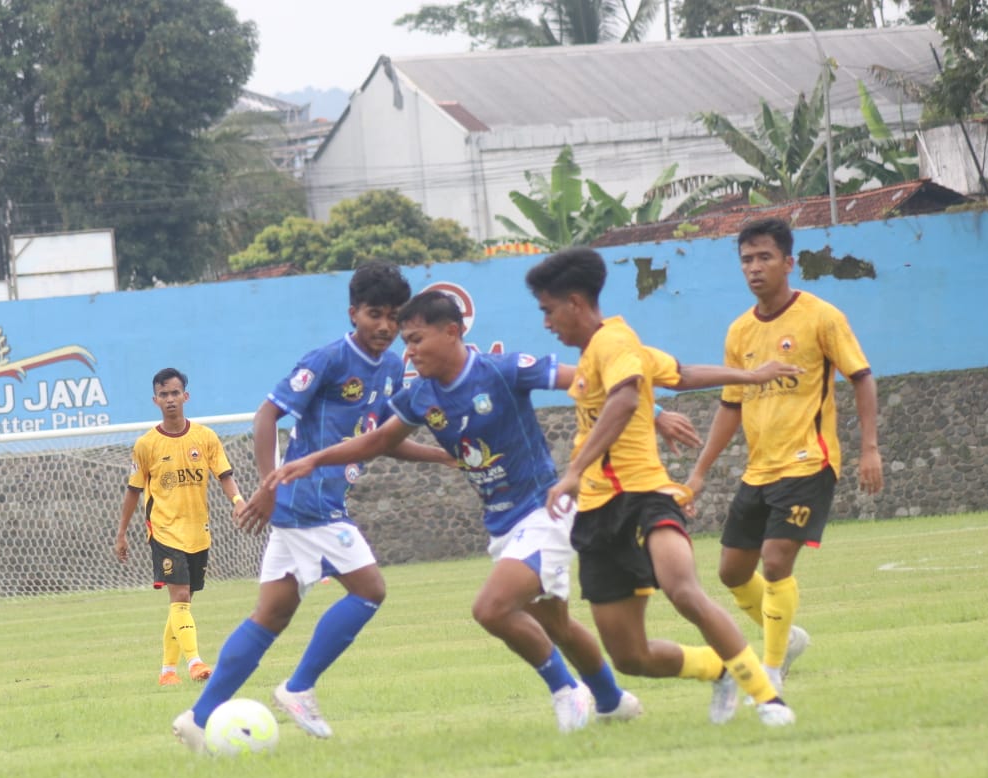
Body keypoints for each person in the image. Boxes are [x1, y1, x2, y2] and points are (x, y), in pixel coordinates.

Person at [265, 289, 712, 730]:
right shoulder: (422, 395)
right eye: (406, 342)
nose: (409, 352)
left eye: (416, 340)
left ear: (452, 332)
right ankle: (612, 701)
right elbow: (380, 440)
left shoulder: (503, 369)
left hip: (544, 512)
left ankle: (567, 690)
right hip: (502, 523)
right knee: (556, 624)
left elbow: (590, 379)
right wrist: (314, 459)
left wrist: (654, 414)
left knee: (491, 609)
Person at [172, 261, 453, 749]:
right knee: (370, 590)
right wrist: (269, 485)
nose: (385, 326)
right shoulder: (328, 359)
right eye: (374, 314)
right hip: (308, 500)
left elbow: (380, 441)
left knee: (272, 615)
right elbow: (266, 415)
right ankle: (298, 687)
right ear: (353, 313)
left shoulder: (392, 368)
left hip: (317, 502)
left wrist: (443, 456)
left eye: (393, 316)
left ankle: (198, 719)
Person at [532, 247, 800, 727]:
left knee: (683, 590)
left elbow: (624, 400)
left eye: (549, 311)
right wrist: (751, 375)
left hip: (645, 499)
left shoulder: (615, 342)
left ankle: (769, 700)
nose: (547, 323)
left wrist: (573, 470)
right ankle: (718, 669)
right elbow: (681, 373)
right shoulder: (604, 351)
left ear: (575, 302)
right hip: (596, 515)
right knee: (629, 657)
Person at [685, 218, 883, 712]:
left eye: (764, 257)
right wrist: (699, 472)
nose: (754, 267)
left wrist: (870, 448)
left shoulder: (821, 317)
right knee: (732, 572)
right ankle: (787, 637)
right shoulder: (740, 330)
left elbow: (861, 377)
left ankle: (770, 673)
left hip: (809, 462)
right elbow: (730, 406)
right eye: (746, 260)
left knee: (775, 561)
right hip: (759, 469)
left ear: (788, 262)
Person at [114, 368, 244, 686]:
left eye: (175, 393)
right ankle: (195, 663)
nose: (170, 399)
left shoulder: (206, 437)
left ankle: (167, 671)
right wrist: (121, 533)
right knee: (181, 594)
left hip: (198, 532)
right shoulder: (146, 445)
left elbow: (224, 475)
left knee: (182, 603)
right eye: (164, 394)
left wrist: (239, 501)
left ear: (185, 396)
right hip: (164, 530)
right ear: (155, 400)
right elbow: (133, 490)